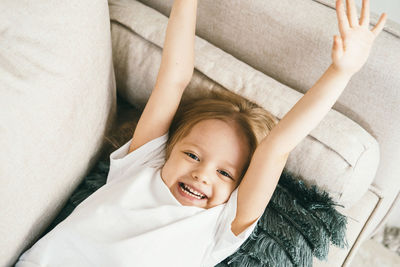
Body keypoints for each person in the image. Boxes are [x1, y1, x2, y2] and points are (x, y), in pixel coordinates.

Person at [16, 0, 386, 266]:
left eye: (225, 173)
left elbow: (276, 149)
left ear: (240, 186)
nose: (202, 173)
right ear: (168, 149)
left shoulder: (220, 226)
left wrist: (342, 72)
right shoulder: (141, 164)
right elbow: (174, 78)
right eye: (192, 155)